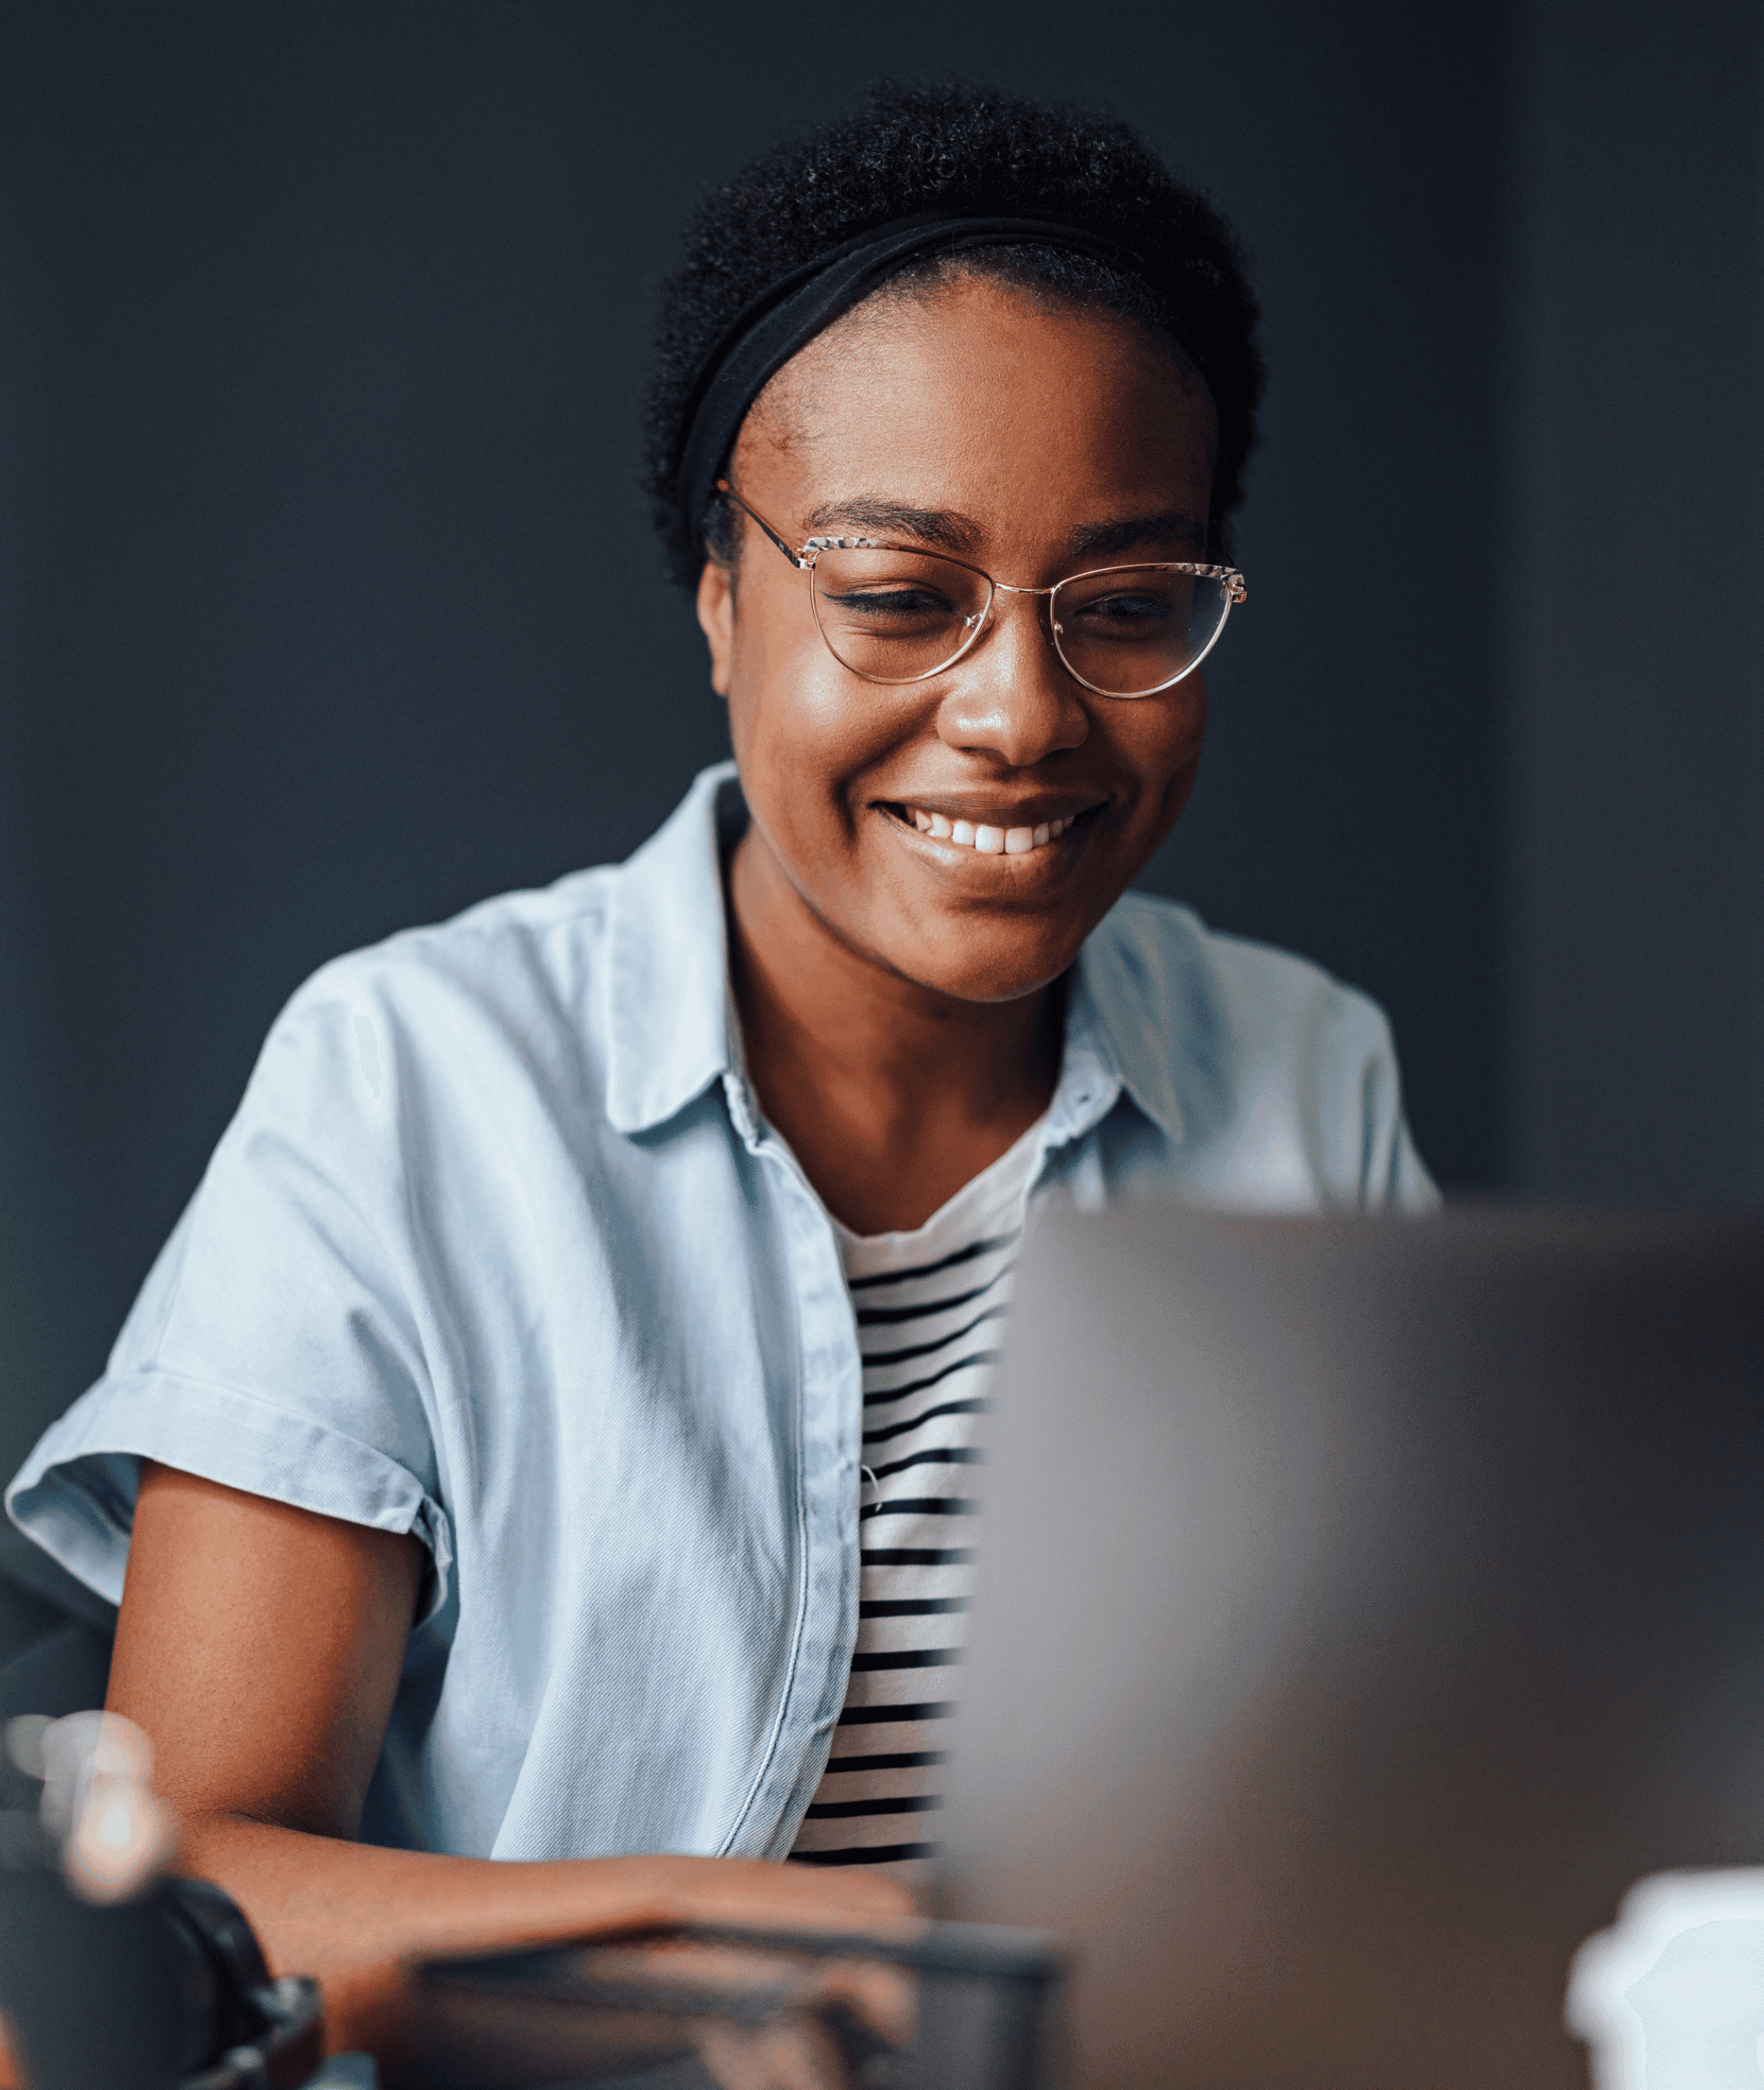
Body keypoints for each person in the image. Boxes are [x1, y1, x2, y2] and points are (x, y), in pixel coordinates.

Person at [4, 80, 1434, 2080]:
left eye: (1122, 608)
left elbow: (1410, 1796)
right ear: (720, 601)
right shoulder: (416, 1083)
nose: (1019, 712)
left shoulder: (1304, 1075)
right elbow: (170, 1904)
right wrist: (764, 1934)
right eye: (892, 594)